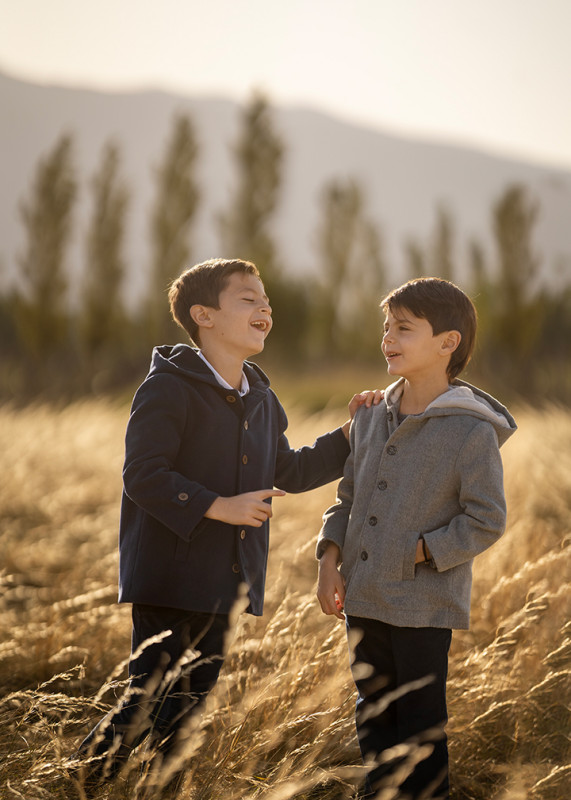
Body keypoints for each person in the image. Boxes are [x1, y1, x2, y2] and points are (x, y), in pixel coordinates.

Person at [73, 258, 379, 797]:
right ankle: (76, 785)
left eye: (266, 301)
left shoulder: (260, 396)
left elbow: (288, 469)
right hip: (169, 578)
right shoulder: (167, 387)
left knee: (187, 715)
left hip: (227, 582)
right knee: (147, 701)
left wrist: (351, 434)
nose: (265, 307)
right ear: (203, 315)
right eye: (248, 298)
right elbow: (142, 475)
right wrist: (221, 506)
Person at [316, 277, 517, 799]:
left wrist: (421, 551)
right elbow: (348, 497)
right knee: (374, 717)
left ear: (447, 343)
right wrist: (328, 559)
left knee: (421, 728)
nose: (388, 338)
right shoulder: (368, 416)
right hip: (363, 597)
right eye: (386, 328)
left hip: (424, 605)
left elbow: (486, 517)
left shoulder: (470, 431)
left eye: (404, 329)